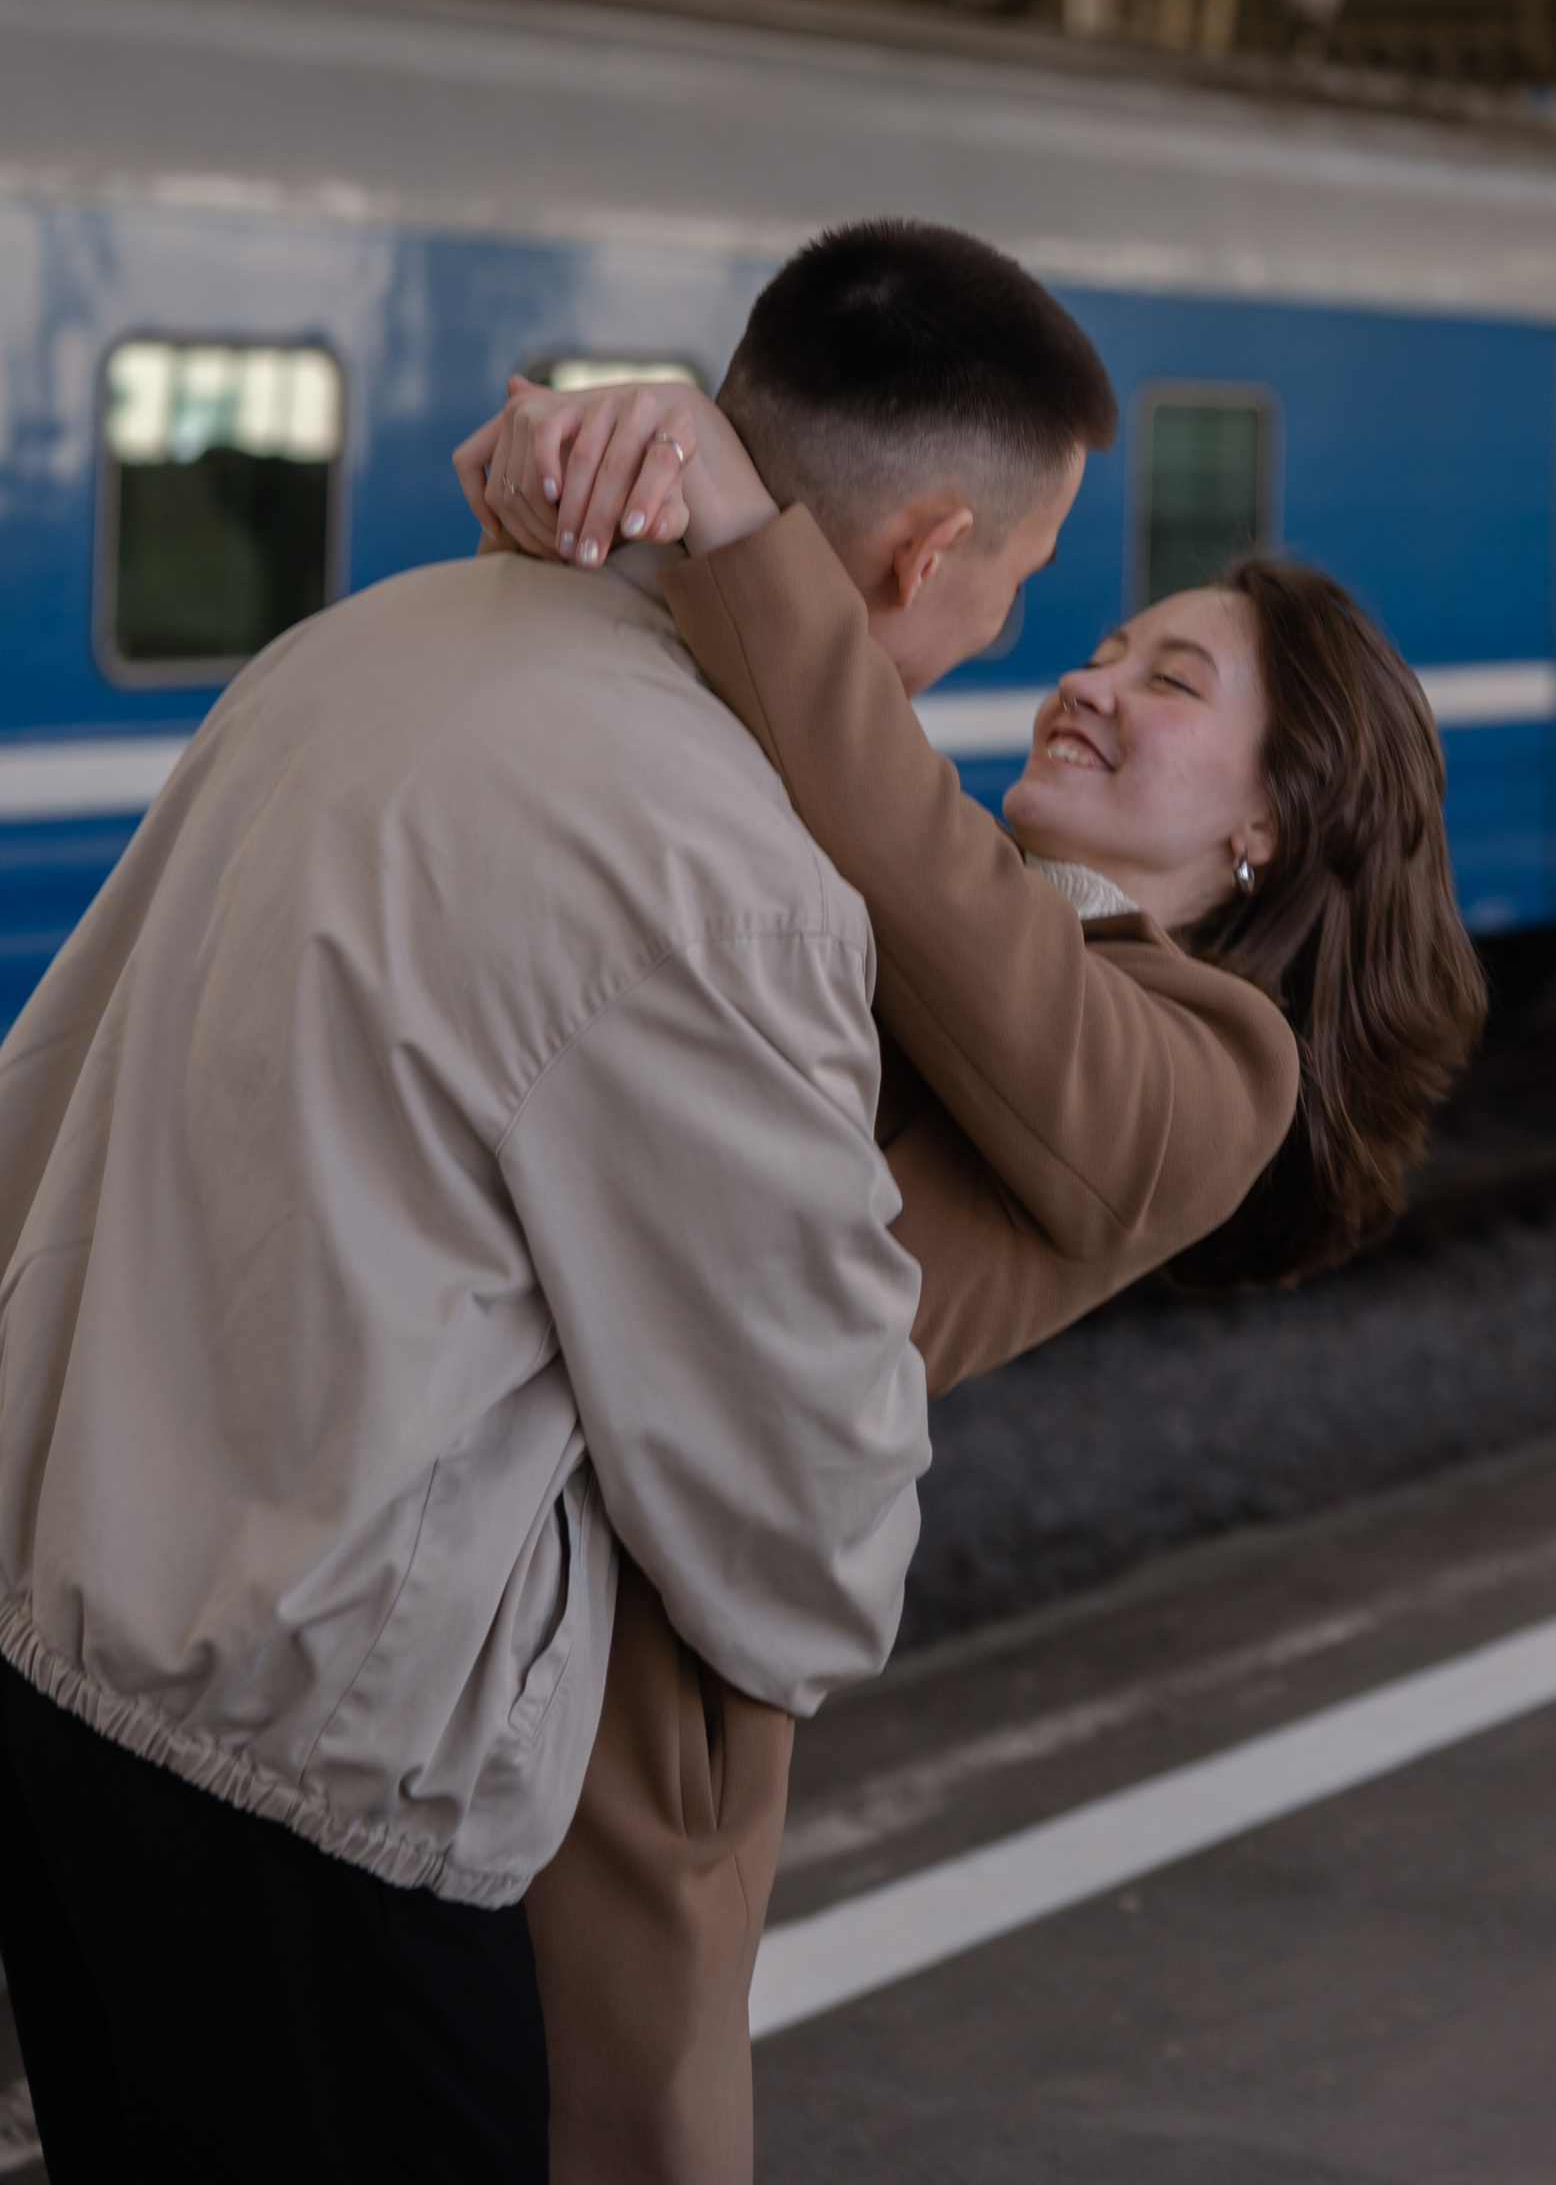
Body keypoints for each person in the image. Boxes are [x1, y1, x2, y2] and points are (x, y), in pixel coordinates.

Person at [0, 221, 1118, 2185]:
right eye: (1015, 591)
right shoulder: (717, 868)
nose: (999, 646)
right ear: (923, 554)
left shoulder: (354, 645)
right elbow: (800, 1533)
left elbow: (48, 1091)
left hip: (59, 1680)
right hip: (323, 1781)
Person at [466, 323, 1487, 2185]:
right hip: (487, 1607)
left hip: (615, 1701)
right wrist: (583, 484)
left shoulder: (1208, 1063)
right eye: (1099, 645)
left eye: (1168, 680)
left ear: (1269, 822)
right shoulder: (935, 911)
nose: (1086, 685)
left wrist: (732, 504)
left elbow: (918, 868)